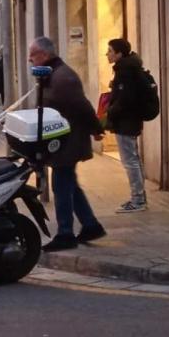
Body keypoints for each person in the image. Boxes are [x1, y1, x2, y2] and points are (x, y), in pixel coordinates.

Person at [29, 37, 106, 252]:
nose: (29, 59)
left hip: (68, 141)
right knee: (69, 183)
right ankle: (90, 225)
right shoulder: (51, 75)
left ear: (45, 55)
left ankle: (65, 233)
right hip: (60, 140)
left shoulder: (63, 77)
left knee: (61, 186)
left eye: (33, 55)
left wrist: (96, 128)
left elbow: (82, 106)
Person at [105, 38, 148, 213]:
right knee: (134, 160)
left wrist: (109, 112)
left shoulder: (125, 71)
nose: (107, 54)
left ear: (119, 54)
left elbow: (125, 100)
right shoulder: (129, 68)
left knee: (130, 161)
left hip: (126, 122)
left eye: (110, 51)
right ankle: (140, 198)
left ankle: (138, 201)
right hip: (130, 120)